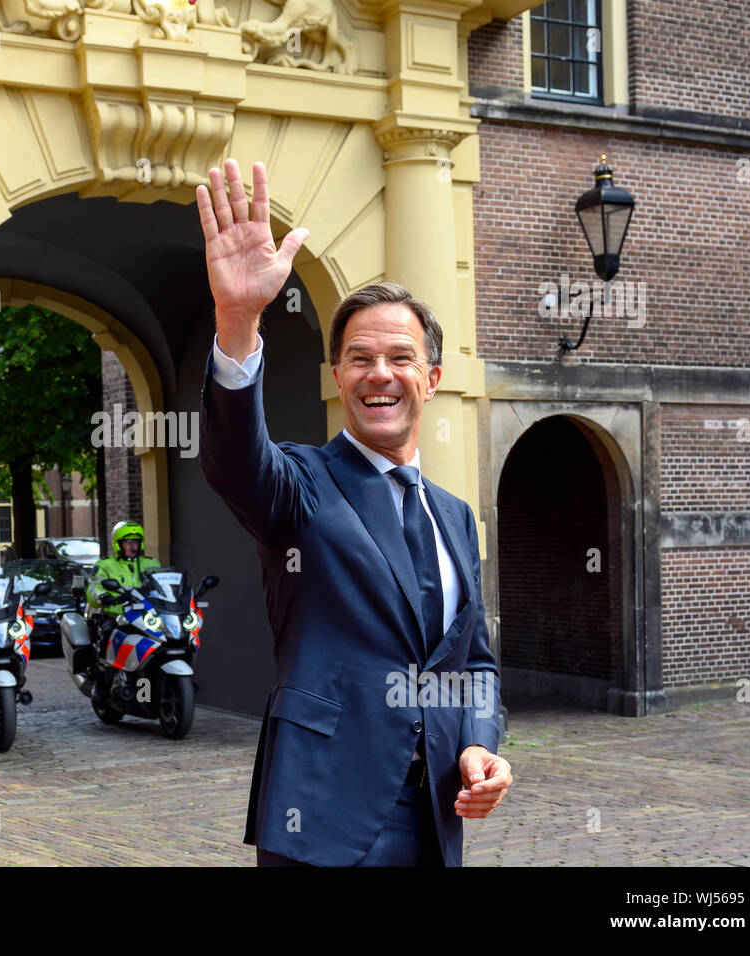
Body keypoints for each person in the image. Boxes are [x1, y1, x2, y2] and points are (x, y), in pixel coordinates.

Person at [195, 159, 512, 867]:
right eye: (359, 357)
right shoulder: (301, 484)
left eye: (400, 357)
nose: (379, 373)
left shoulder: (455, 517)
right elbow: (233, 460)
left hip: (434, 816)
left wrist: (479, 744)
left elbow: (475, 662)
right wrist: (238, 320)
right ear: (338, 378)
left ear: (431, 379)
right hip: (324, 817)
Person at [84, 520, 161, 635]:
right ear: (119, 545)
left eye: (135, 542)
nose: (132, 546)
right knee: (107, 634)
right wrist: (103, 596)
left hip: (148, 616)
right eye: (128, 543)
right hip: (117, 616)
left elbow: (165, 586)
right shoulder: (105, 565)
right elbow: (94, 589)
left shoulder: (152, 564)